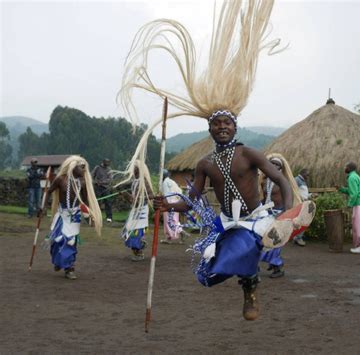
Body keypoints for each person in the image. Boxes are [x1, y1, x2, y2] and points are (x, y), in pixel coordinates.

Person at [119, 1, 315, 321]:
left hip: (254, 220)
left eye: (227, 123)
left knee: (239, 249)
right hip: (224, 222)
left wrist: (288, 215)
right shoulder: (204, 164)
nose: (222, 127)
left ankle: (250, 287)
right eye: (217, 124)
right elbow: (192, 201)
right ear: (209, 128)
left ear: (235, 127)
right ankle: (250, 280)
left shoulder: (249, 153)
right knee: (208, 274)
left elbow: (280, 180)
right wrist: (167, 205)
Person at [41, 156, 102, 279]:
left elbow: (85, 202)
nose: (84, 170)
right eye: (82, 167)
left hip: (74, 217)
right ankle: (59, 261)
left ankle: (69, 268)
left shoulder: (83, 183)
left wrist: (90, 215)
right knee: (56, 241)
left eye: (85, 168)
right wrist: (43, 207)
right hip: (61, 215)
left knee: (70, 242)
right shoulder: (60, 180)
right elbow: (48, 192)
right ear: (73, 167)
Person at [260, 154, 302, 278]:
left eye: (277, 164)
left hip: (280, 213)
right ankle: (273, 264)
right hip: (267, 213)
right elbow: (263, 198)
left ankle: (278, 266)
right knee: (265, 239)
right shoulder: (265, 181)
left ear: (281, 167)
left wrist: (287, 215)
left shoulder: (283, 181)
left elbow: (288, 200)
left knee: (276, 241)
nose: (274, 166)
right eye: (272, 163)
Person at [120, 161, 154, 261]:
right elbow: (132, 199)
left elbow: (151, 195)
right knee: (128, 232)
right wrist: (125, 195)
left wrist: (140, 198)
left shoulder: (144, 181)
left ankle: (139, 252)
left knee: (135, 233)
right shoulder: (135, 181)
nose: (132, 169)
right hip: (135, 210)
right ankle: (139, 247)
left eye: (133, 167)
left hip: (141, 211)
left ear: (138, 169)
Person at [338, 162, 360, 254]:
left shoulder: (352, 178)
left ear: (349, 168)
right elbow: (351, 191)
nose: (344, 168)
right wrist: (341, 189)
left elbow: (354, 194)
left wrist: (349, 205)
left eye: (346, 166)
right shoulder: (354, 176)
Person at [161, 169, 184, 244]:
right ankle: (178, 233)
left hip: (169, 203)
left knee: (168, 221)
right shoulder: (172, 182)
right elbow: (180, 191)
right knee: (174, 220)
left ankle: (170, 237)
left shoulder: (165, 182)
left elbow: (166, 195)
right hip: (176, 203)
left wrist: (166, 205)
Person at [293, 168, 310, 246]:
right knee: (303, 220)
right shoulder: (297, 180)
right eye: (307, 174)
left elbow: (303, 193)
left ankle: (297, 237)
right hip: (299, 203)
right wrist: (299, 199)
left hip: (303, 203)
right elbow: (293, 190)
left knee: (301, 220)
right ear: (303, 173)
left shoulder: (302, 181)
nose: (308, 176)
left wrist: (310, 195)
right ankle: (298, 238)